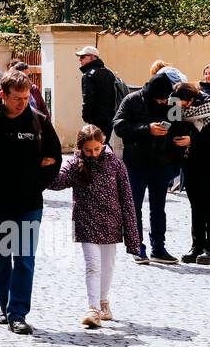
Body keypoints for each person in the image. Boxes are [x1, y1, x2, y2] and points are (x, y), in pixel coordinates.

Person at [0, 70, 62, 335]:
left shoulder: (38, 122)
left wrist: (37, 182)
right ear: (2, 95)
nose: (22, 103)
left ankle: (18, 313)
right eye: (17, 98)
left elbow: (55, 158)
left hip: (29, 204)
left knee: (25, 260)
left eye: (26, 97)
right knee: (2, 259)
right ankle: (5, 307)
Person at [47, 125, 141, 328]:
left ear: (103, 144)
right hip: (86, 222)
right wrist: (47, 167)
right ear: (81, 148)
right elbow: (57, 182)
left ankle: (103, 302)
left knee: (108, 266)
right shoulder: (75, 164)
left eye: (97, 149)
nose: (93, 154)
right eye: (89, 150)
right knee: (93, 265)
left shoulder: (115, 163)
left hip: (111, 222)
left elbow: (127, 199)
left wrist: (132, 235)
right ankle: (92, 308)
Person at [113, 71, 191, 265]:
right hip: (137, 163)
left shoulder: (172, 103)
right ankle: (136, 247)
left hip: (162, 163)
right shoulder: (132, 100)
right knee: (134, 207)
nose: (163, 102)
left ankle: (158, 247)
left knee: (159, 208)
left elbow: (180, 128)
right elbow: (119, 126)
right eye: (160, 99)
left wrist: (177, 157)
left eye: (166, 98)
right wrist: (147, 129)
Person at [172, 82, 210, 265]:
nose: (183, 107)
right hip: (191, 163)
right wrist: (173, 110)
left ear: (191, 98)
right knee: (195, 205)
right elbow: (173, 123)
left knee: (209, 206)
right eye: (179, 103)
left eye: (184, 103)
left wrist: (192, 140)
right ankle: (196, 246)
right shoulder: (178, 105)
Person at [76, 45, 121, 135]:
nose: (80, 60)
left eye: (83, 57)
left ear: (92, 57)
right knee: (103, 143)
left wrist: (86, 116)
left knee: (96, 144)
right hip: (110, 116)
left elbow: (88, 98)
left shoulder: (88, 75)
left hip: (96, 118)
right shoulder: (109, 72)